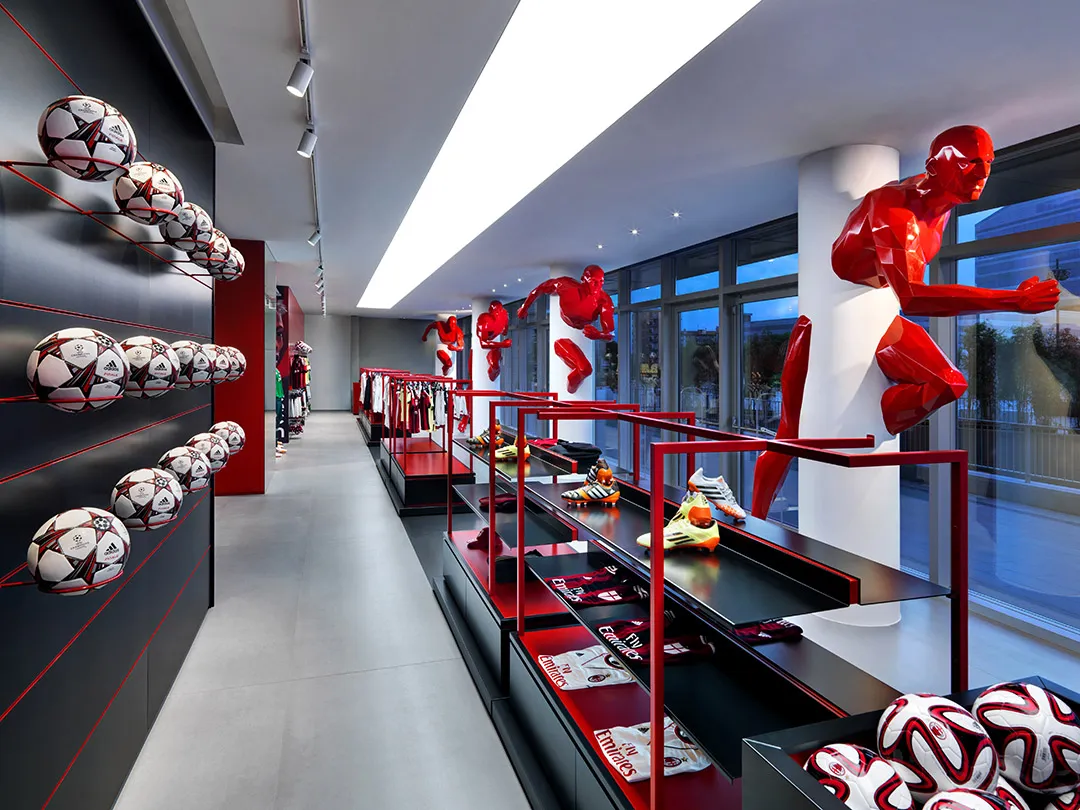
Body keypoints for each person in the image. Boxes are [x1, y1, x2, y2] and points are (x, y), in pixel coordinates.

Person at [832, 125, 1060, 434]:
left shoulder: (943, 204)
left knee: (949, 383)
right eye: (967, 162)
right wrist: (1013, 300)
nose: (982, 173)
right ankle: (857, 425)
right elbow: (912, 298)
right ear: (933, 167)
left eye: (988, 162)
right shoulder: (895, 210)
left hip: (879, 306)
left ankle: (876, 424)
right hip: (848, 298)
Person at [518, 266, 615, 393]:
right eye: (593, 282)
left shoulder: (604, 301)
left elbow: (610, 333)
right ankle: (570, 391)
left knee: (585, 369)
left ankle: (570, 390)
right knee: (585, 369)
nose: (597, 286)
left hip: (580, 335)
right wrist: (524, 307)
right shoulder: (566, 285)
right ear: (584, 279)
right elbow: (540, 289)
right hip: (563, 333)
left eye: (601, 282)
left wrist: (599, 335)